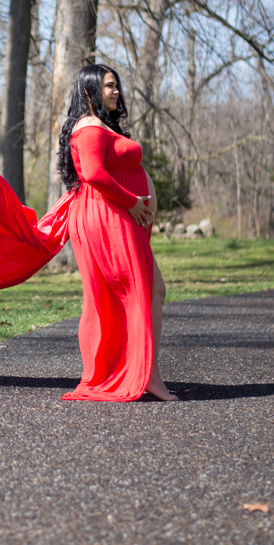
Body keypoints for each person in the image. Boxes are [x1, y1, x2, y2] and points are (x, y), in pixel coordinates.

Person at [57, 64, 177, 402]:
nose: (115, 92)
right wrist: (133, 201)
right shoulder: (90, 126)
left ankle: (144, 372)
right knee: (129, 295)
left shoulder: (99, 126)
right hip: (107, 215)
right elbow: (93, 173)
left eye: (116, 86)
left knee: (151, 291)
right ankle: (137, 375)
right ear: (89, 90)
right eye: (109, 86)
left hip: (116, 215)